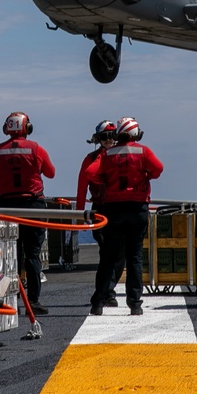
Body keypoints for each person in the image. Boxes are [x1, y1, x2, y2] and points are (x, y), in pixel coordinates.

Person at [89, 116, 164, 317]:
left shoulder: (107, 154)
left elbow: (92, 173)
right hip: (137, 208)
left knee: (108, 257)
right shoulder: (143, 151)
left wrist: (107, 179)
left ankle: (98, 303)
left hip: (113, 209)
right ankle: (135, 304)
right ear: (135, 133)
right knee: (135, 258)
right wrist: (145, 176)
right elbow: (158, 169)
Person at [0, 111, 55, 316]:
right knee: (32, 255)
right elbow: (51, 173)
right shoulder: (36, 149)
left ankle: (11, 299)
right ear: (28, 128)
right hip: (33, 206)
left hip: (7, 207)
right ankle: (32, 301)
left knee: (10, 256)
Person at [75, 120, 124, 306]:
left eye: (113, 136)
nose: (110, 140)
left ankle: (107, 290)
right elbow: (82, 186)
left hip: (119, 208)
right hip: (100, 209)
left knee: (121, 254)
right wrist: (79, 215)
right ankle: (106, 292)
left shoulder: (121, 156)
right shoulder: (91, 158)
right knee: (106, 252)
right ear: (98, 139)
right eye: (105, 137)